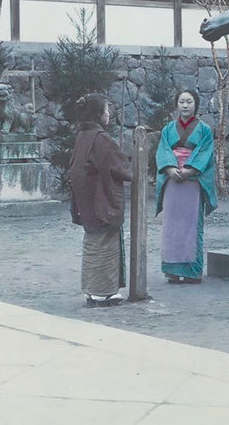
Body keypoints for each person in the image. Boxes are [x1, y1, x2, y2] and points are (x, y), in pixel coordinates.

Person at [69, 93, 133, 307]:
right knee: (105, 243)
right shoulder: (101, 139)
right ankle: (102, 292)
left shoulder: (82, 136)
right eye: (106, 110)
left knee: (92, 242)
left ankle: (92, 289)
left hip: (86, 200)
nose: (109, 113)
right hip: (101, 199)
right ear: (98, 115)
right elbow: (119, 166)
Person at [155, 89, 217, 283]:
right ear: (176, 104)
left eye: (189, 101)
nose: (185, 105)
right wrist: (170, 168)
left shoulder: (204, 129)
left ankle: (191, 270)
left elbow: (206, 152)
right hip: (173, 179)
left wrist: (190, 170)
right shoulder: (168, 129)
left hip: (192, 181)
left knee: (191, 226)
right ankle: (172, 270)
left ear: (195, 105)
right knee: (172, 226)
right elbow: (163, 150)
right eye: (181, 101)